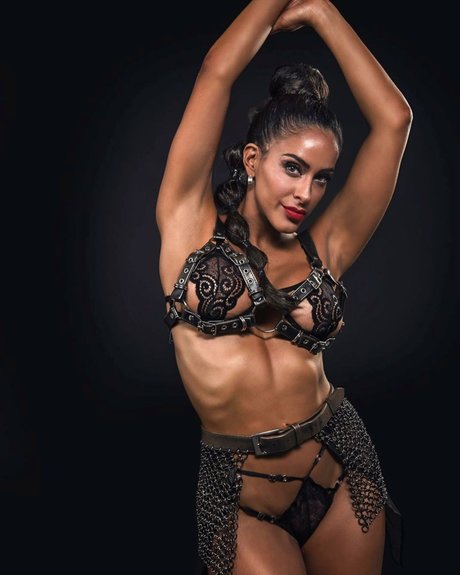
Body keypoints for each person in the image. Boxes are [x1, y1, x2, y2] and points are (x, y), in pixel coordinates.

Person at [156, 1, 412, 573]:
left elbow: (395, 120)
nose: (306, 194)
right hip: (241, 495)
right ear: (253, 158)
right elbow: (216, 71)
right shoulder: (187, 224)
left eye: (322, 178)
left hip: (339, 465)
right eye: (292, 168)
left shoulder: (329, 245)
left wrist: (322, 11)